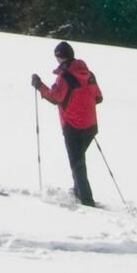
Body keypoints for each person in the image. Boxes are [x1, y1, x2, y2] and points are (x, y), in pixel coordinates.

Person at [31, 40, 103, 205]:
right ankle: (78, 191)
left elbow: (54, 97)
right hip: (91, 126)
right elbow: (98, 98)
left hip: (73, 127)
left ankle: (86, 200)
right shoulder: (89, 74)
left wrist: (39, 85)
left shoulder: (65, 77)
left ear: (60, 57)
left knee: (77, 164)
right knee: (79, 161)